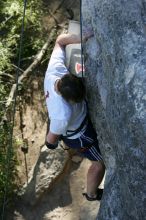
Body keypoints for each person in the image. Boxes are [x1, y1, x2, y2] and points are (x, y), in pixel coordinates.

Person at [44, 31, 105, 201]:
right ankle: (92, 194)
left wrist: (80, 37)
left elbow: (60, 40)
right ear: (66, 99)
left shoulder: (55, 71)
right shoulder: (61, 114)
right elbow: (50, 141)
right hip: (80, 136)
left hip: (76, 125)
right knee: (99, 163)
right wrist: (52, 142)